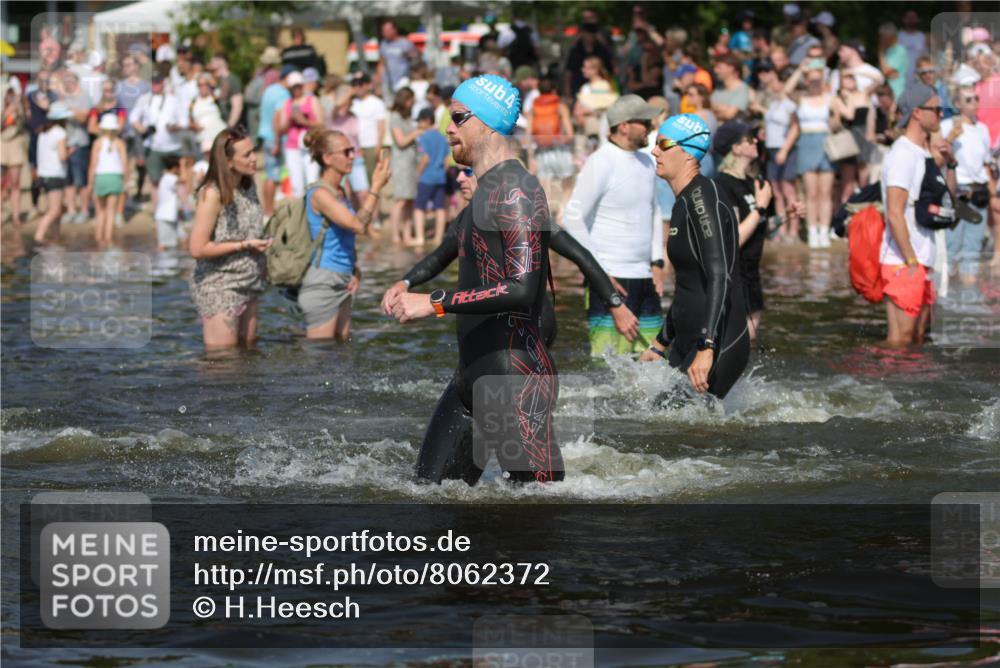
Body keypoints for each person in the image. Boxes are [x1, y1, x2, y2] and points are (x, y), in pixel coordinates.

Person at [386, 74, 562, 485]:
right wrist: (406, 282)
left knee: (541, 510)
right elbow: (448, 250)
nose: (448, 128)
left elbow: (522, 288)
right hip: (471, 374)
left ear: (489, 123)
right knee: (428, 497)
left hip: (513, 377)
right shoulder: (484, 192)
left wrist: (434, 303)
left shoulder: (517, 191)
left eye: (459, 118)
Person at [383, 166, 639, 350]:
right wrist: (404, 283)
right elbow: (440, 256)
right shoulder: (464, 219)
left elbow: (578, 254)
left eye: (467, 171)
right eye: (458, 172)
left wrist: (615, 304)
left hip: (534, 321)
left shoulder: (521, 214)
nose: (459, 178)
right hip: (495, 321)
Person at [640, 113, 749, 399]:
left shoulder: (703, 197)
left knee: (676, 422)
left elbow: (719, 275)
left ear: (689, 152)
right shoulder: (684, 201)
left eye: (664, 144)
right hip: (691, 340)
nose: (655, 151)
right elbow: (688, 285)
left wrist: (706, 346)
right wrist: (661, 343)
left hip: (717, 341)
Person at [563, 95, 665, 356]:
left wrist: (657, 263)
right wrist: (599, 272)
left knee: (654, 362)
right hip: (610, 279)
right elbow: (571, 218)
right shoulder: (601, 161)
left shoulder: (647, 162)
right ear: (624, 126)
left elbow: (654, 211)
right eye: (644, 122)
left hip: (645, 277)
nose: (651, 127)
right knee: (608, 365)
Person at [297, 128, 389, 340]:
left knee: (341, 349)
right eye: (346, 152)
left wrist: (354, 268)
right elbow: (357, 225)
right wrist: (375, 187)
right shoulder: (319, 194)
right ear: (327, 158)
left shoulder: (340, 191)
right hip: (323, 281)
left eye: (352, 150)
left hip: (344, 278)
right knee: (321, 353)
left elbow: (345, 236)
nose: (352, 156)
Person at [189, 126, 272, 350]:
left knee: (248, 354)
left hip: (250, 282)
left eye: (253, 151)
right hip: (220, 285)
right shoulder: (212, 194)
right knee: (223, 362)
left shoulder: (248, 184)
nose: (254, 158)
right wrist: (243, 245)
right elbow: (197, 248)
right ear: (228, 162)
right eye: (247, 155)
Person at [713, 121, 794, 341]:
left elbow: (759, 227)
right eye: (749, 138)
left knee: (750, 342)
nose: (756, 140)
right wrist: (760, 207)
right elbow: (734, 239)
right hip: (733, 275)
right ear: (736, 148)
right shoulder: (723, 185)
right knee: (733, 343)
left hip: (752, 274)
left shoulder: (752, 183)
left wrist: (786, 217)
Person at [879, 83, 942, 346]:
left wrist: (949, 163)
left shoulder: (922, 152)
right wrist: (912, 261)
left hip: (921, 256)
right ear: (917, 112)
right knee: (900, 341)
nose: (941, 114)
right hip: (902, 260)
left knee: (916, 339)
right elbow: (894, 212)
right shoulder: (902, 154)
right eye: (936, 109)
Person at [940, 87, 993, 283]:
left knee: (972, 248)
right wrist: (951, 138)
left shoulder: (983, 129)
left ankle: (967, 294)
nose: (975, 103)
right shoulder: (947, 126)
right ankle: (946, 292)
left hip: (979, 192)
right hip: (958, 192)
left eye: (976, 98)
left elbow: (986, 164)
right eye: (969, 100)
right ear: (957, 104)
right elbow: (938, 156)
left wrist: (992, 193)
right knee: (951, 245)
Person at [782, 64, 836, 248]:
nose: (815, 83)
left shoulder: (829, 98)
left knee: (825, 192)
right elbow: (786, 90)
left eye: (818, 79)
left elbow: (839, 120)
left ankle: (824, 230)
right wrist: (800, 70)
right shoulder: (801, 98)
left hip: (825, 143)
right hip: (806, 143)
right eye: (811, 79)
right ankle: (812, 231)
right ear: (806, 80)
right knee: (810, 192)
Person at [753, 60, 800, 243]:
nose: (770, 85)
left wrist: (784, 150)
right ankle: (781, 228)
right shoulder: (773, 102)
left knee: (789, 191)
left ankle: (793, 231)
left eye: (774, 81)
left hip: (784, 149)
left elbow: (795, 127)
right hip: (771, 148)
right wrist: (765, 132)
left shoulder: (789, 103)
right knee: (777, 193)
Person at [130, 75, 183, 213]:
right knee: (154, 180)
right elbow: (133, 118)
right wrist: (143, 130)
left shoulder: (173, 100)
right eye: (153, 83)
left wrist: (174, 127)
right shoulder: (144, 99)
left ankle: (183, 210)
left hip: (172, 146)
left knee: (178, 179)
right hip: (152, 146)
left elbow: (183, 121)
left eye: (158, 83)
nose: (155, 85)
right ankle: (157, 211)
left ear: (163, 84)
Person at [527, 76, 575, 218]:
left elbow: (528, 135)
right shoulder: (560, 106)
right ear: (554, 91)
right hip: (560, 150)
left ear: (539, 91)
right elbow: (570, 134)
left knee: (545, 187)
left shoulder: (533, 109)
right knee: (568, 183)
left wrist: (530, 157)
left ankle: (546, 217)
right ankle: (561, 214)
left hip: (542, 151)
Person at [276, 71, 323, 198]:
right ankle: (301, 207)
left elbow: (321, 124)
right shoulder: (287, 104)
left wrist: (305, 121)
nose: (297, 89)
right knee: (296, 183)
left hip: (310, 145)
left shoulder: (312, 100)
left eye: (299, 86)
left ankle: (313, 206)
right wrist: (290, 119)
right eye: (294, 87)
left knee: (312, 180)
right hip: (292, 147)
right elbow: (281, 128)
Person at [832, 70, 876, 201]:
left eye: (852, 77)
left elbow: (878, 79)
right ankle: (845, 210)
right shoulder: (838, 99)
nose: (851, 80)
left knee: (864, 179)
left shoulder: (863, 94)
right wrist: (849, 97)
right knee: (848, 184)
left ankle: (865, 207)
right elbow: (850, 115)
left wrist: (857, 69)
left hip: (862, 136)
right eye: (847, 78)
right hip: (848, 139)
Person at [32, 101, 71, 245]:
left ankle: (56, 236)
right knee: (55, 210)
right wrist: (71, 151)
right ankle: (39, 237)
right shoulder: (60, 133)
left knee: (56, 208)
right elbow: (63, 156)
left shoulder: (44, 131)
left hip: (44, 174)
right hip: (55, 174)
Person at [328, 84, 370, 211]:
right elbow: (338, 104)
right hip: (338, 158)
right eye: (350, 98)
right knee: (342, 193)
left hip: (355, 157)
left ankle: (364, 218)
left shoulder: (354, 116)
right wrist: (349, 91)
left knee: (363, 193)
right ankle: (345, 217)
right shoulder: (333, 115)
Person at [257, 66, 292, 216]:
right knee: (273, 176)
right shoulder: (283, 93)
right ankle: (269, 211)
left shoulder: (269, 90)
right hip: (275, 138)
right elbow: (277, 117)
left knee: (268, 175)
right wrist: (277, 141)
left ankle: (267, 210)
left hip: (266, 137)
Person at [59, 70, 93, 225]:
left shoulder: (84, 97)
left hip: (79, 144)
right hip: (64, 144)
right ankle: (71, 210)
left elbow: (83, 118)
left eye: (70, 80)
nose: (68, 83)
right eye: (65, 80)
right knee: (68, 181)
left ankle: (84, 210)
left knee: (82, 181)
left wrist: (68, 109)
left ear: (76, 82)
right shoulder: (62, 98)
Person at [88, 113, 126, 245]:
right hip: (115, 177)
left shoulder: (97, 143)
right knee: (111, 212)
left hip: (100, 177)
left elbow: (93, 164)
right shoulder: (120, 143)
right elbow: (124, 164)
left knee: (100, 212)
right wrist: (125, 181)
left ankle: (99, 239)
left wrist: (90, 184)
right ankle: (108, 239)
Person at [388, 87, 420, 245]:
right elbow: (400, 141)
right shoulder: (395, 117)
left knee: (410, 200)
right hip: (401, 163)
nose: (412, 103)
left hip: (411, 162)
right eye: (411, 100)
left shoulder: (407, 117)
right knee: (401, 199)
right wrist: (417, 132)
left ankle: (407, 235)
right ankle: (395, 235)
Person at [414, 108, 449, 246]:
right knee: (440, 208)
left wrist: (418, 174)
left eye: (420, 121)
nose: (418, 124)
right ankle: (438, 238)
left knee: (419, 207)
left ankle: (420, 238)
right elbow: (446, 160)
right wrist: (442, 172)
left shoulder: (424, 137)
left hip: (426, 177)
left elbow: (425, 158)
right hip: (440, 177)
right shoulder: (442, 137)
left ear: (427, 121)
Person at [350, 73, 387, 189]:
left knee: (372, 179)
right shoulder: (352, 103)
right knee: (357, 181)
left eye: (360, 84)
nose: (357, 87)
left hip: (371, 145)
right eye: (354, 84)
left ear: (368, 85)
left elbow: (381, 126)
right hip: (355, 146)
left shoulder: (376, 103)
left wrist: (378, 146)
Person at [1, 85, 27, 228]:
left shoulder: (18, 109)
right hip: (2, 145)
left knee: (15, 182)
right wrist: (6, 114)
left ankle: (16, 215)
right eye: (8, 95)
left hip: (15, 145)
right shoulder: (3, 110)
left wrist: (19, 112)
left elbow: (25, 126)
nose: (10, 98)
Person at [377, 20, 418, 96]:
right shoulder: (384, 44)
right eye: (384, 31)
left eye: (387, 30)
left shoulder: (405, 43)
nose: (385, 33)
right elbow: (381, 64)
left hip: (402, 80)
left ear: (394, 29)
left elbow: (416, 61)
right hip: (388, 82)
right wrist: (379, 83)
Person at [190, 73, 227, 155]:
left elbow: (223, 88)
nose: (203, 87)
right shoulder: (194, 102)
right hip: (204, 137)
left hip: (218, 134)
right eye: (200, 85)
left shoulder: (215, 97)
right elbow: (190, 120)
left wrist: (212, 83)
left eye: (205, 84)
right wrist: (194, 126)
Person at [710, 54, 750, 122]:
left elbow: (729, 115)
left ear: (731, 68)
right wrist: (723, 108)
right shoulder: (718, 89)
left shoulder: (742, 89)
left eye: (719, 67)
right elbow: (707, 108)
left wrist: (714, 109)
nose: (715, 70)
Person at [154, 155, 182, 251]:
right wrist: (185, 167)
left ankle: (169, 259)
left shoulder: (165, 177)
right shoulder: (170, 178)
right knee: (164, 245)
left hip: (168, 216)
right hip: (165, 216)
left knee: (173, 243)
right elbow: (183, 181)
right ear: (175, 168)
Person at [208, 55, 244, 128]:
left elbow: (237, 107)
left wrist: (229, 127)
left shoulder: (233, 80)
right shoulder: (219, 81)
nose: (211, 68)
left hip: (230, 127)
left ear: (220, 64)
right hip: (220, 125)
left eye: (212, 64)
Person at [879, 23, 909, 100]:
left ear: (891, 37)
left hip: (897, 93)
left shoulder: (899, 51)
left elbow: (886, 71)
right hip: (887, 94)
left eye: (883, 37)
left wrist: (881, 53)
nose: (881, 40)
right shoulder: (887, 51)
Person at [898, 10, 928, 85]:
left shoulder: (923, 37)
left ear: (918, 19)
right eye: (908, 17)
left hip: (919, 76)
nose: (911, 19)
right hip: (901, 77)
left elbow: (925, 57)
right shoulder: (898, 36)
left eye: (913, 17)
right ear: (903, 19)